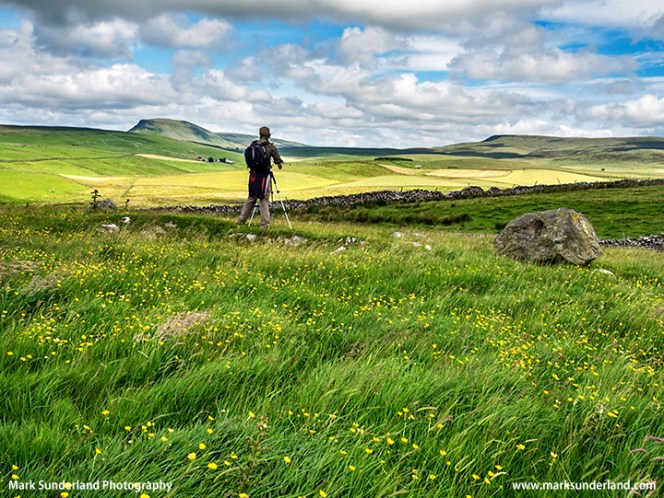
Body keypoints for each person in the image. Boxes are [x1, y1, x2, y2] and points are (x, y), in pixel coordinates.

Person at [236, 126, 284, 229]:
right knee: (263, 199)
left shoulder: (253, 145)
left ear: (259, 134)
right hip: (264, 176)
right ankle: (264, 225)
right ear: (269, 135)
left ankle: (240, 221)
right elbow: (277, 160)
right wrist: (279, 164)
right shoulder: (270, 146)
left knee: (251, 197)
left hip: (253, 175)